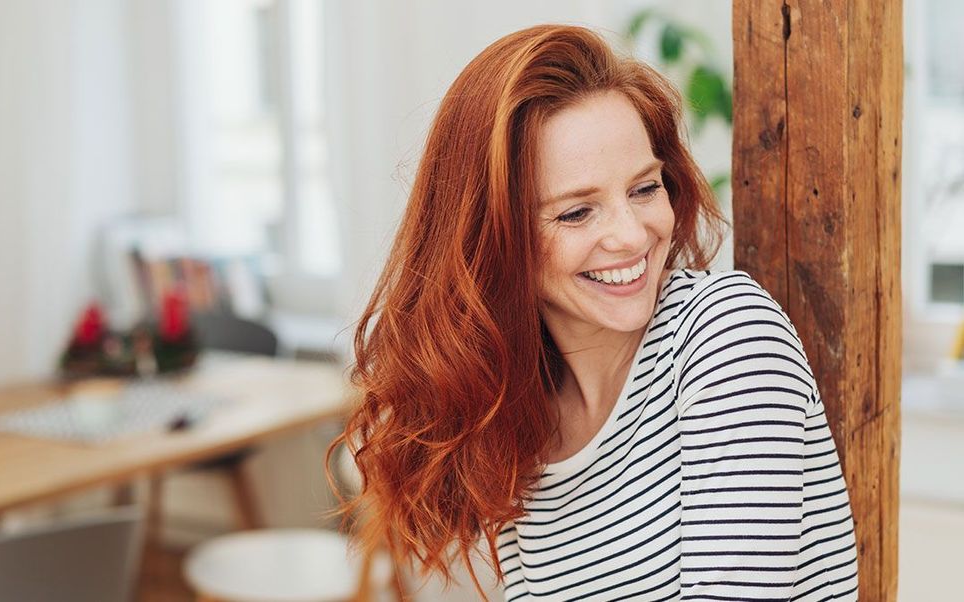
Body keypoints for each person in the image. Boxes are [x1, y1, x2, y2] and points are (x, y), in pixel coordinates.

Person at [329, 24, 859, 601]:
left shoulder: (726, 337)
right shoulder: (519, 418)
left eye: (643, 189)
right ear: (492, 239)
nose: (632, 237)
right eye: (577, 213)